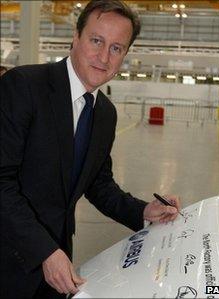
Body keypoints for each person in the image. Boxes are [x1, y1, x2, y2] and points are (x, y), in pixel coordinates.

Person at [0, 1, 181, 298]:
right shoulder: (24, 86)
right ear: (76, 36)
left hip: (57, 265)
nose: (103, 57)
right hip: (11, 259)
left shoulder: (104, 112)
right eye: (97, 40)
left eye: (116, 48)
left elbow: (98, 184)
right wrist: (44, 251)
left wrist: (146, 211)